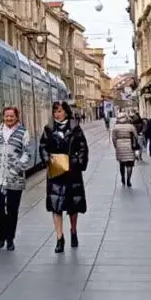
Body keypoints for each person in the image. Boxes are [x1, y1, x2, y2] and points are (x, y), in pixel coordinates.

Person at [39, 101, 89, 253]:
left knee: (73, 206)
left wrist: (78, 162)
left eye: (59, 111)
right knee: (56, 206)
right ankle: (59, 238)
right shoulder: (48, 129)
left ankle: (73, 230)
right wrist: (47, 158)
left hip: (72, 172)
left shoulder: (75, 128)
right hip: (56, 173)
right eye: (55, 111)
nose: (57, 114)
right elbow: (43, 147)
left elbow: (83, 147)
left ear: (66, 112)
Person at [0, 106, 33, 251]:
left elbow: (28, 152)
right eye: (6, 116)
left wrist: (19, 166)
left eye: (12, 116)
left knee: (12, 210)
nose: (9, 118)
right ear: (3, 117)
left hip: (14, 179)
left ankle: (10, 238)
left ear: (16, 117)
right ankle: (2, 233)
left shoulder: (23, 133)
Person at [110, 114, 139, 187]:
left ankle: (123, 178)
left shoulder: (115, 128)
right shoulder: (131, 126)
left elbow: (113, 138)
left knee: (122, 164)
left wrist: (116, 146)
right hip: (129, 145)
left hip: (120, 145)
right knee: (130, 164)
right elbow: (136, 136)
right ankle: (128, 180)